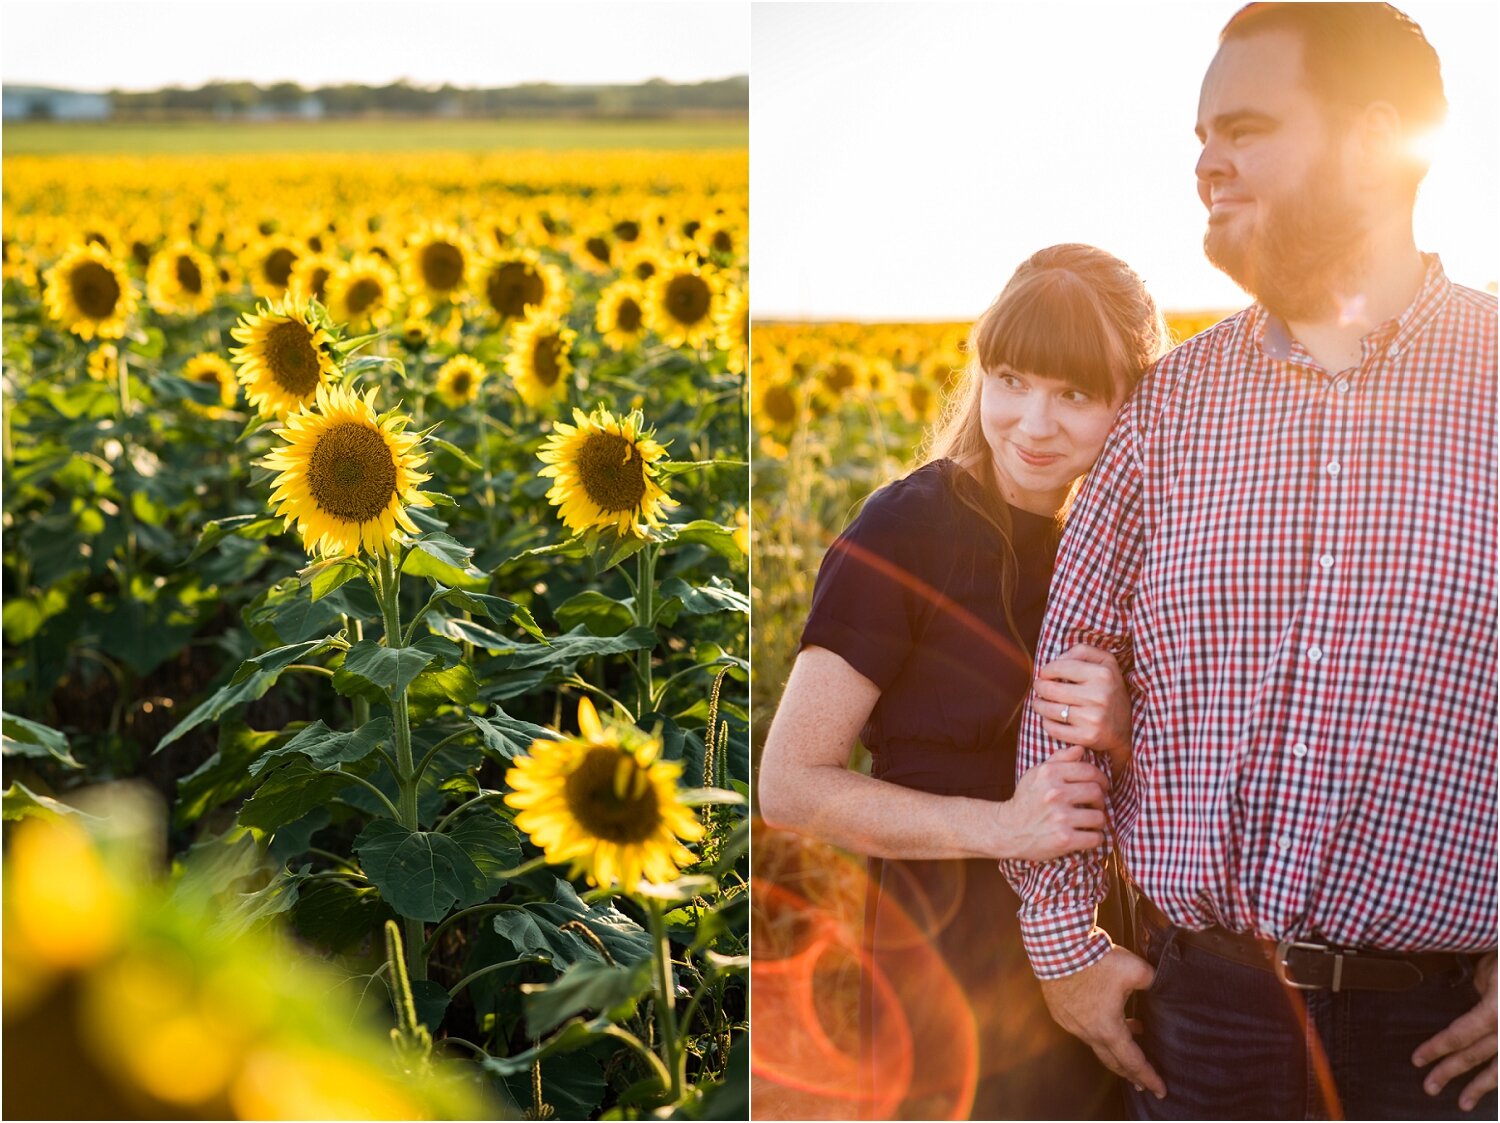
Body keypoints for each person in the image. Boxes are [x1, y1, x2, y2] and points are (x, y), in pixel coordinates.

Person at [1005, 5, 1498, 1120]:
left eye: (1245, 127)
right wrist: (1062, 942)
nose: (1206, 165)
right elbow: (1063, 693)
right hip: (1201, 1021)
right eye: (1198, 138)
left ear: (1375, 142)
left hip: (1444, 1047)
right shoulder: (1169, 409)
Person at [759, 243, 1169, 1119]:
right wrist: (1004, 827)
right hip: (946, 958)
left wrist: (1125, 726)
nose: (1031, 421)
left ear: (1130, 403)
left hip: (1101, 941)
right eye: (1012, 377)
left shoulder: (1139, 550)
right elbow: (791, 784)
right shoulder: (907, 530)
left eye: (1075, 394)